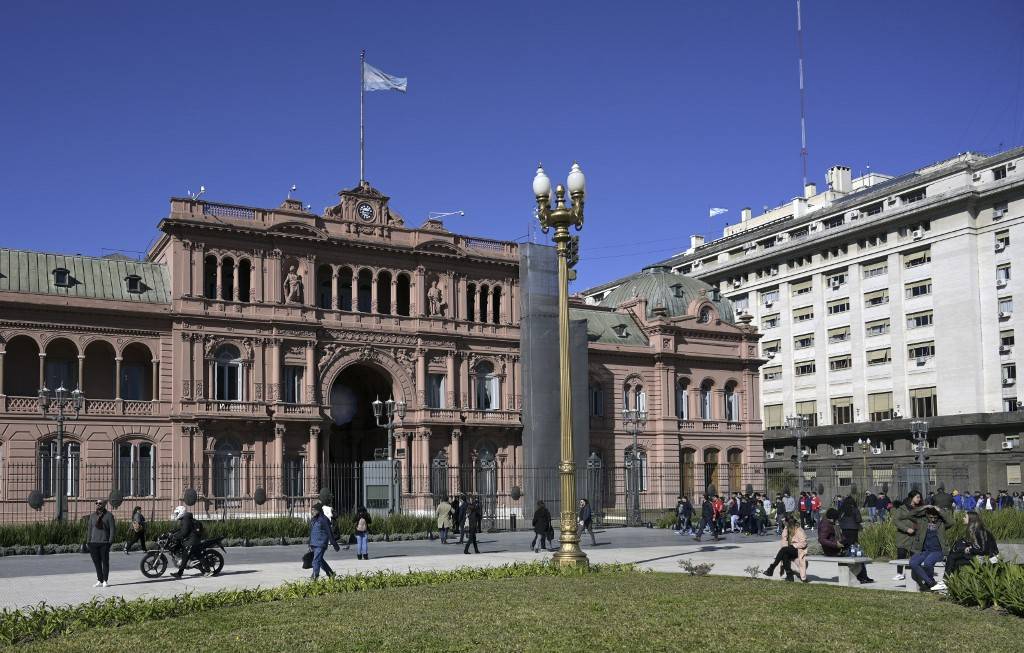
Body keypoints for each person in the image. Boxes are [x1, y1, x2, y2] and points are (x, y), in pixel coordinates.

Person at [909, 505, 952, 591]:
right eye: (931, 517)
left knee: (928, 563)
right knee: (913, 563)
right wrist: (923, 507)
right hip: (925, 551)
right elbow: (910, 514)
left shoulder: (941, 523)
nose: (933, 519)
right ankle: (931, 583)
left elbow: (951, 522)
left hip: (938, 551)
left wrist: (939, 510)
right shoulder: (922, 522)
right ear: (927, 515)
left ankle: (928, 584)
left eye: (935, 517)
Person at [945, 511, 999, 577]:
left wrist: (969, 549)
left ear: (971, 519)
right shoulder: (975, 530)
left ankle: (946, 578)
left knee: (953, 557)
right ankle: (952, 579)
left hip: (987, 558)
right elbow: (977, 545)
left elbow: (983, 550)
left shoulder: (980, 531)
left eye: (965, 517)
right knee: (955, 558)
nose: (963, 518)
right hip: (980, 556)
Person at [838, 495, 873, 583]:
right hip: (854, 533)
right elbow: (859, 520)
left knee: (846, 553)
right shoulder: (855, 509)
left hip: (844, 532)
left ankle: (848, 574)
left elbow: (839, 520)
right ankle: (862, 576)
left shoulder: (841, 509)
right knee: (857, 553)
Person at [763, 514, 807, 582]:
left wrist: (794, 545)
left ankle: (772, 568)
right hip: (788, 549)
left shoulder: (799, 530)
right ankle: (789, 576)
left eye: (785, 521)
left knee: (784, 550)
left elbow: (804, 543)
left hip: (798, 550)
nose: (784, 523)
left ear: (788, 522)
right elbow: (784, 541)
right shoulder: (786, 529)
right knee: (784, 555)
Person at [892, 490, 923, 581]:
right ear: (912, 497)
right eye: (917, 497)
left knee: (915, 556)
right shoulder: (902, 508)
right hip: (903, 536)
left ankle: (915, 573)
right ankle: (899, 573)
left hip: (915, 537)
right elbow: (896, 520)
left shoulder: (919, 508)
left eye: (920, 497)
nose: (919, 499)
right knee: (901, 554)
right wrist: (906, 529)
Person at [169, 504, 205, 578]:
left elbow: (184, 532)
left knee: (186, 557)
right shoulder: (185, 519)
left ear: (181, 512)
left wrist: (175, 537)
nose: (176, 515)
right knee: (195, 556)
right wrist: (174, 532)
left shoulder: (185, 519)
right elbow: (182, 530)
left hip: (191, 541)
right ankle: (205, 571)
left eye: (177, 513)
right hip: (192, 540)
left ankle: (206, 571)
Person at [307, 502, 340, 580]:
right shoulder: (313, 519)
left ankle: (315, 577)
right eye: (312, 510)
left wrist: (334, 544)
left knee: (316, 561)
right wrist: (309, 544)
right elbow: (311, 532)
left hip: (321, 544)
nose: (312, 512)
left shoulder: (324, 519)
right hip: (314, 543)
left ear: (318, 510)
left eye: (314, 510)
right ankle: (331, 574)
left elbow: (329, 532)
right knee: (320, 560)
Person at [87, 500, 115, 587]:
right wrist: (88, 541)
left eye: (100, 503)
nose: (98, 504)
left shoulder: (109, 515)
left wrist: (110, 541)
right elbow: (89, 529)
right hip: (93, 543)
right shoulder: (92, 516)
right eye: (96, 503)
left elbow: (112, 529)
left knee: (105, 562)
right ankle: (100, 580)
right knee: (97, 563)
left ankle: (105, 580)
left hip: (104, 543)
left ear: (104, 504)